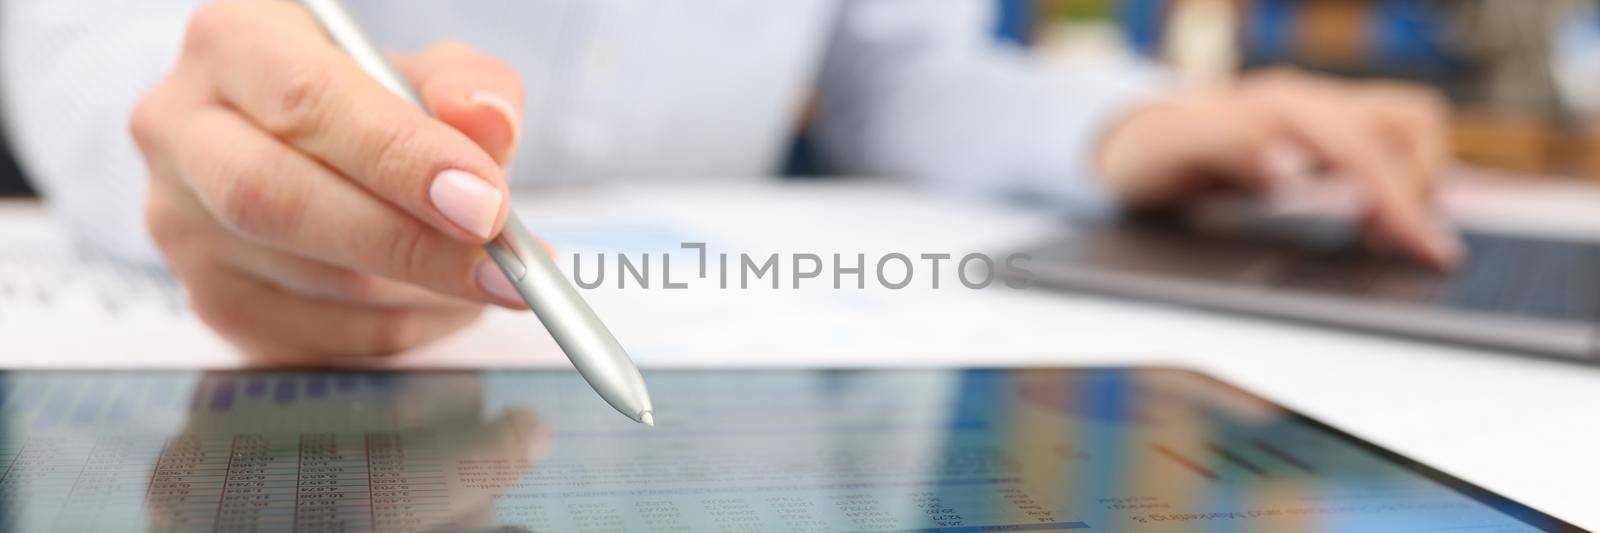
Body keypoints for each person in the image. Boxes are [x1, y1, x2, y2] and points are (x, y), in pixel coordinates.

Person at [0, 0, 1456, 360]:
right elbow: (107, 37)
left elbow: (895, 63)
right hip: (240, 356)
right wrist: (213, 142)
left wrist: (1116, 130)